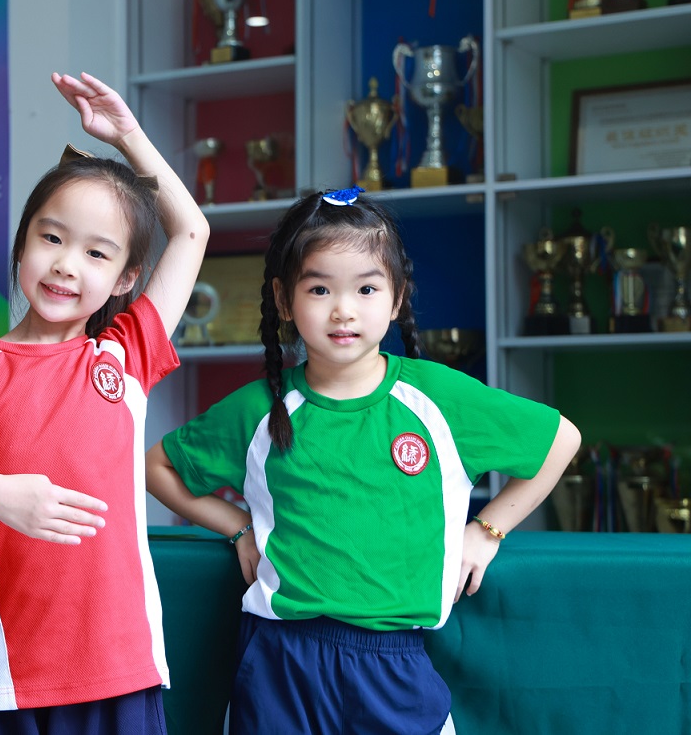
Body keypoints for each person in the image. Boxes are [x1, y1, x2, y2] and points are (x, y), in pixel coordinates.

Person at [144, 186, 582, 735]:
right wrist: (238, 527)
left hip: (396, 664)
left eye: (367, 288)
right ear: (283, 299)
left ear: (397, 298)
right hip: (280, 662)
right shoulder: (260, 409)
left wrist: (488, 530)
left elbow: (560, 440)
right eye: (319, 288)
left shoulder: (437, 398)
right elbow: (156, 467)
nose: (343, 310)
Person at [0, 71, 210, 734]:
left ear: (126, 278)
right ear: (22, 243)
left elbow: (190, 230)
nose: (66, 264)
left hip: (120, 668)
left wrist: (128, 135)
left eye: (97, 252)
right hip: (1, 680)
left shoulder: (126, 354)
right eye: (51, 238)